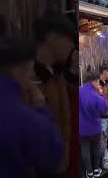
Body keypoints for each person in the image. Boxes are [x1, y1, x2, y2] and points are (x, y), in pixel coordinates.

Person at [0, 36, 64, 178]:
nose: (32, 75)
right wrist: (41, 108)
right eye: (30, 70)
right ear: (20, 70)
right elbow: (53, 160)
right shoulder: (30, 121)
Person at [27, 12, 76, 176]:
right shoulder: (28, 77)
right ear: (51, 37)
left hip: (59, 165)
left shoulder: (58, 75)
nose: (72, 45)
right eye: (68, 37)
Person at [79, 71, 108, 178]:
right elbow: (105, 110)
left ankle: (89, 172)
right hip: (95, 128)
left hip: (81, 129)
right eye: (98, 82)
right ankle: (96, 170)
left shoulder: (79, 91)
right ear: (95, 81)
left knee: (84, 149)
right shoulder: (96, 97)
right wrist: (102, 94)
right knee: (96, 148)